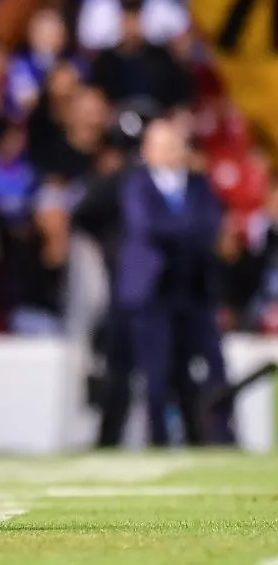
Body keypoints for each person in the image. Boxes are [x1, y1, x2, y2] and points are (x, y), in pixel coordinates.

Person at [116, 120, 233, 446]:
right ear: (147, 150)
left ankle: (220, 437)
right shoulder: (137, 184)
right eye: (162, 145)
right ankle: (159, 440)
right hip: (153, 292)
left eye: (174, 144)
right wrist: (187, 229)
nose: (169, 152)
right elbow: (147, 227)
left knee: (214, 366)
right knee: (157, 372)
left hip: (193, 289)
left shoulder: (198, 185)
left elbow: (210, 227)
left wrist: (181, 229)